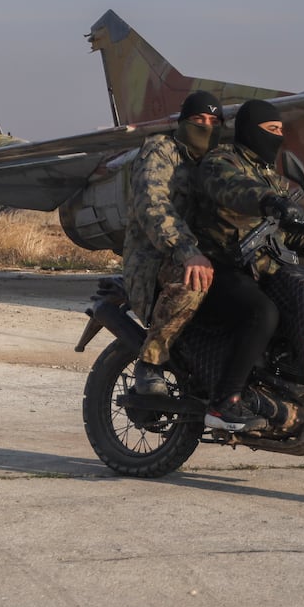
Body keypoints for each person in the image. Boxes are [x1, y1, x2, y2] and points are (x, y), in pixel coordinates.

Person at [189, 99, 304, 433]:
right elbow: (234, 190)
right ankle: (224, 404)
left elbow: (286, 230)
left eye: (281, 131)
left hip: (256, 268)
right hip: (216, 266)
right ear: (251, 130)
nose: (278, 138)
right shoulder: (221, 162)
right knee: (263, 313)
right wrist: (269, 200)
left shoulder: (270, 175)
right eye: (272, 131)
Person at [123, 90, 223, 397]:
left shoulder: (216, 161)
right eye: (198, 119)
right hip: (153, 262)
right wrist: (186, 251)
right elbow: (153, 205)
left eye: (213, 121)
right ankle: (150, 361)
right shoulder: (160, 151)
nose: (206, 126)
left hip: (201, 255)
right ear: (183, 122)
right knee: (193, 281)